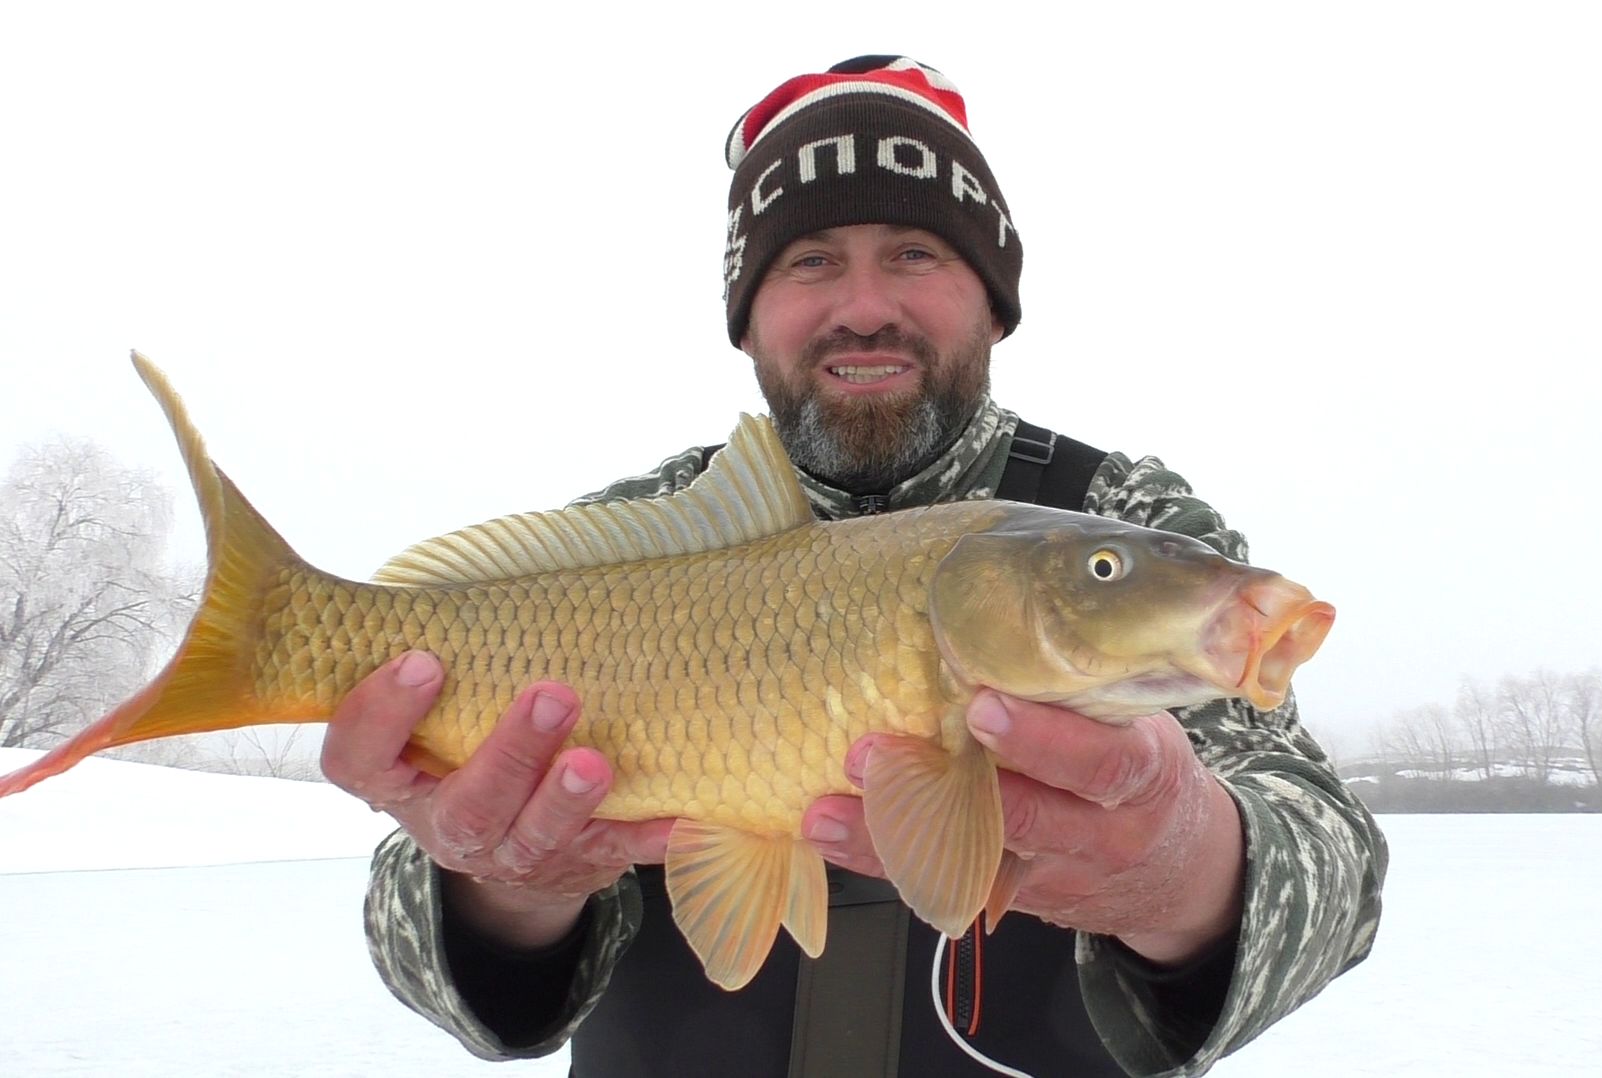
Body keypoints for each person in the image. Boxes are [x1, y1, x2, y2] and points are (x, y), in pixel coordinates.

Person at [322, 55, 1386, 1077]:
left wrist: (1189, 872)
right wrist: (502, 888)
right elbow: (404, 925)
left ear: (992, 298)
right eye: (811, 259)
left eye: (916, 254)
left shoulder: (1118, 519)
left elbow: (1337, 866)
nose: (864, 304)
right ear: (749, 315)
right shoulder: (635, 537)